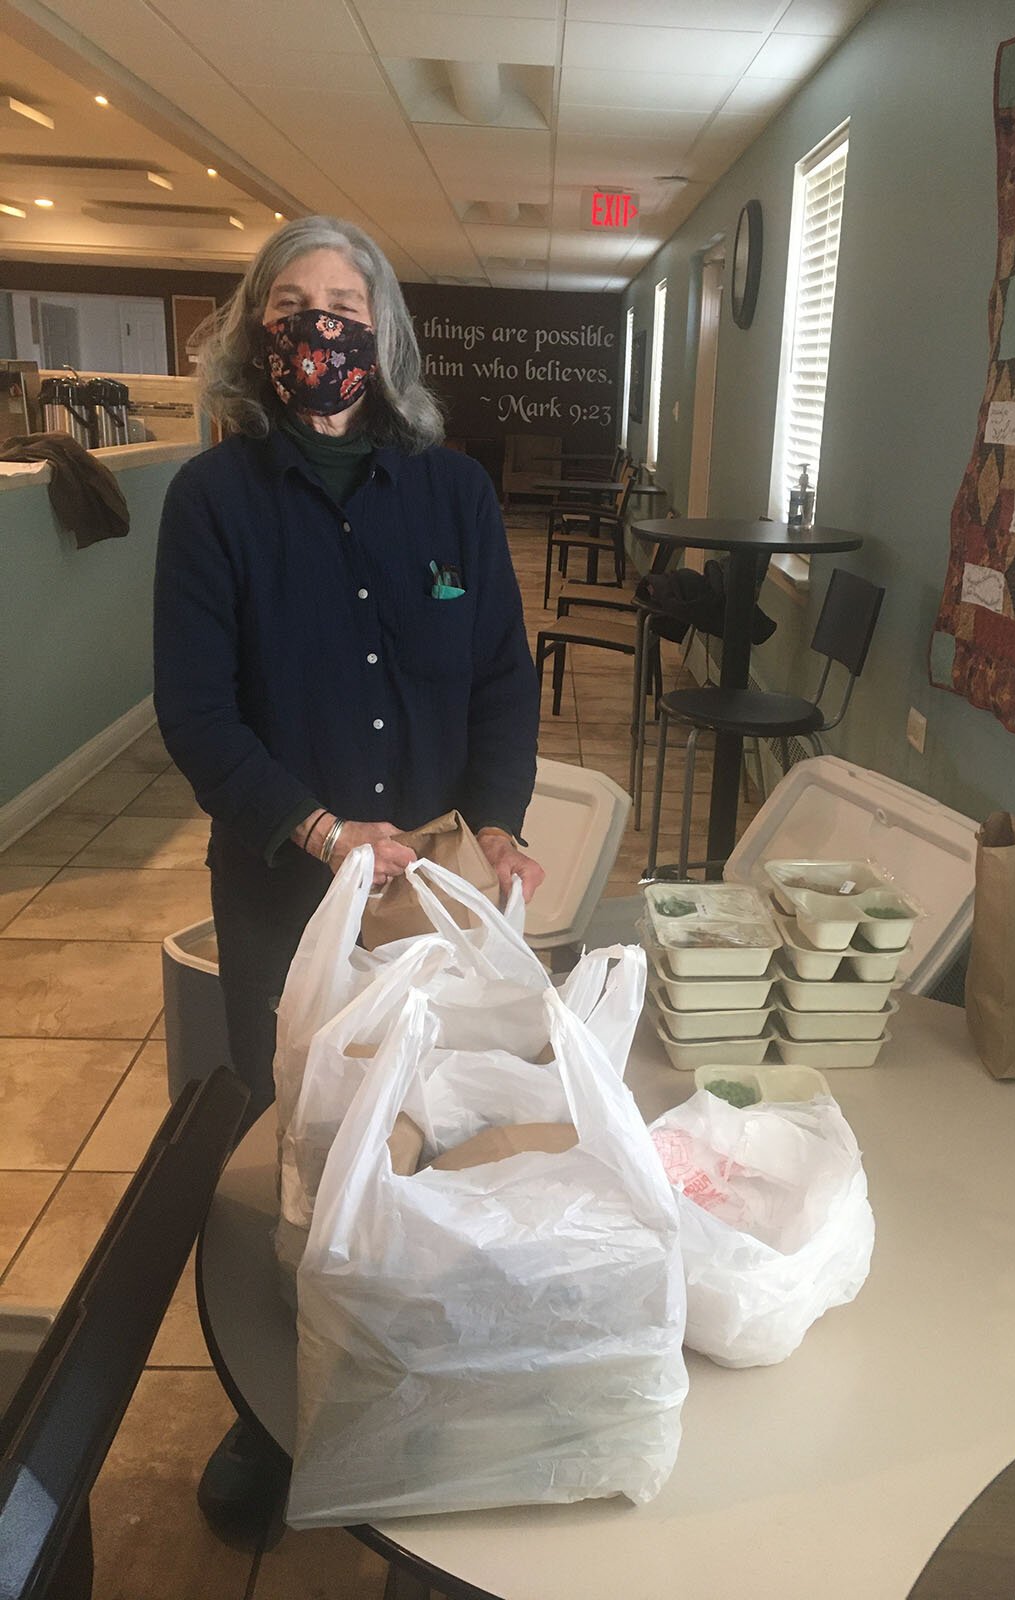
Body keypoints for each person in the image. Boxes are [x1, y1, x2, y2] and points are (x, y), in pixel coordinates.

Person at [153, 214, 544, 1540]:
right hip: (289, 884)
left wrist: (494, 824)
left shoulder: (453, 494)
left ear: (382, 333)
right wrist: (322, 836)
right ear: (258, 331)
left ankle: (417, 1368)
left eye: (346, 302)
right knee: (313, 1138)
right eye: (294, 304)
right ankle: (282, 1408)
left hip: (431, 879)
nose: (322, 326)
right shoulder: (213, 503)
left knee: (432, 1129)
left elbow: (500, 673)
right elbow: (199, 715)